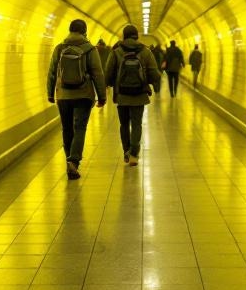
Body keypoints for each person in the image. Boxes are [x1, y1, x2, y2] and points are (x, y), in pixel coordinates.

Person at [47, 18, 106, 179]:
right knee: (80, 128)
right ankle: (74, 161)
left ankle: (69, 160)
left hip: (63, 95)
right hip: (83, 95)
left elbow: (52, 72)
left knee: (67, 128)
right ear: (84, 32)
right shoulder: (89, 49)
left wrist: (50, 93)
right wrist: (102, 96)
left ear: (70, 30)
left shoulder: (59, 48)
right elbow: (97, 73)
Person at [103, 24, 161, 166]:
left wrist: (111, 84)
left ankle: (126, 152)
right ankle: (134, 154)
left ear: (124, 36)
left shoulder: (116, 51)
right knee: (136, 124)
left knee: (124, 124)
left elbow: (108, 73)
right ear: (137, 36)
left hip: (121, 95)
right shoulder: (145, 51)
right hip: (139, 95)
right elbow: (155, 74)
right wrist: (151, 81)